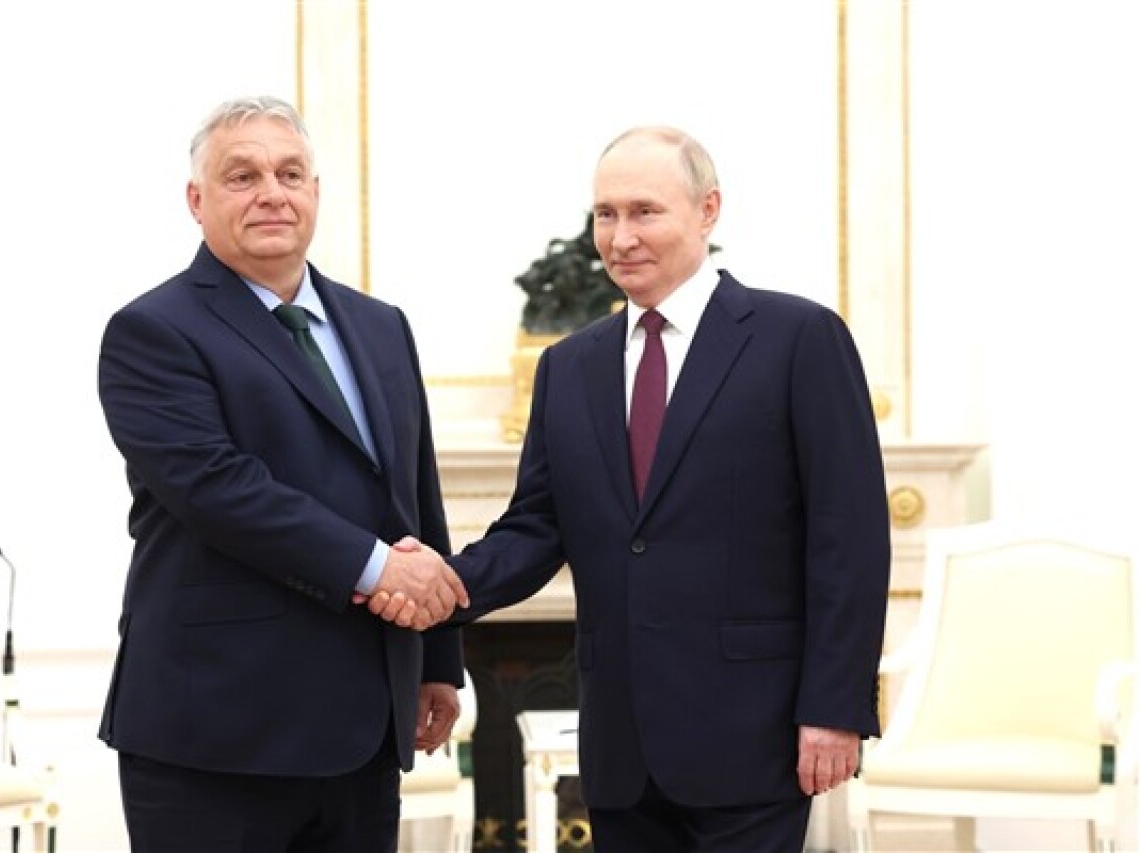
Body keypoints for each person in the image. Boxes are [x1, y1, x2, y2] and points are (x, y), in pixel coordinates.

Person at [369, 126, 891, 852]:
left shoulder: (800, 338)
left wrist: (834, 707)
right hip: (621, 747)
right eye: (605, 214)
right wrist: (436, 586)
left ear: (708, 210)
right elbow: (535, 529)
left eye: (645, 211)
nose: (620, 237)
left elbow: (850, 538)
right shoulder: (567, 367)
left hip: (754, 734)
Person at [96, 95, 469, 852]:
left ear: (315, 192)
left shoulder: (382, 325)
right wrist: (380, 569)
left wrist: (437, 657)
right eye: (243, 176)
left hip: (364, 727)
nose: (272, 192)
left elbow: (413, 495)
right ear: (197, 200)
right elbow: (218, 488)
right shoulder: (152, 331)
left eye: (290, 173)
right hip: (216, 733)